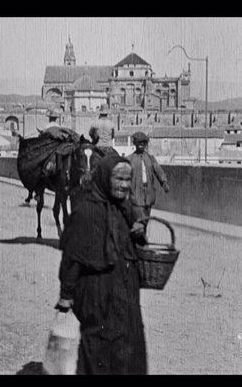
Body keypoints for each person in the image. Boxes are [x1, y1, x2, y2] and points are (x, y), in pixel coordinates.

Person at [56, 155, 148, 375]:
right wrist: (66, 295)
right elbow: (72, 257)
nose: (124, 185)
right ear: (106, 178)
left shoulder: (125, 209)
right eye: (118, 179)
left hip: (125, 293)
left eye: (128, 180)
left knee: (126, 347)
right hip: (96, 293)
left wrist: (139, 233)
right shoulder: (85, 211)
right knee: (98, 348)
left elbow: (127, 247)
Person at [126, 131, 170, 237]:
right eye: (139, 143)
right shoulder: (129, 159)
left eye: (144, 143)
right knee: (138, 220)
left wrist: (163, 182)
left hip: (148, 195)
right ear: (135, 144)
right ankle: (138, 242)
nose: (142, 145)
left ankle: (143, 240)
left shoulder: (150, 158)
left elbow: (158, 170)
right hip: (136, 195)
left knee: (146, 220)